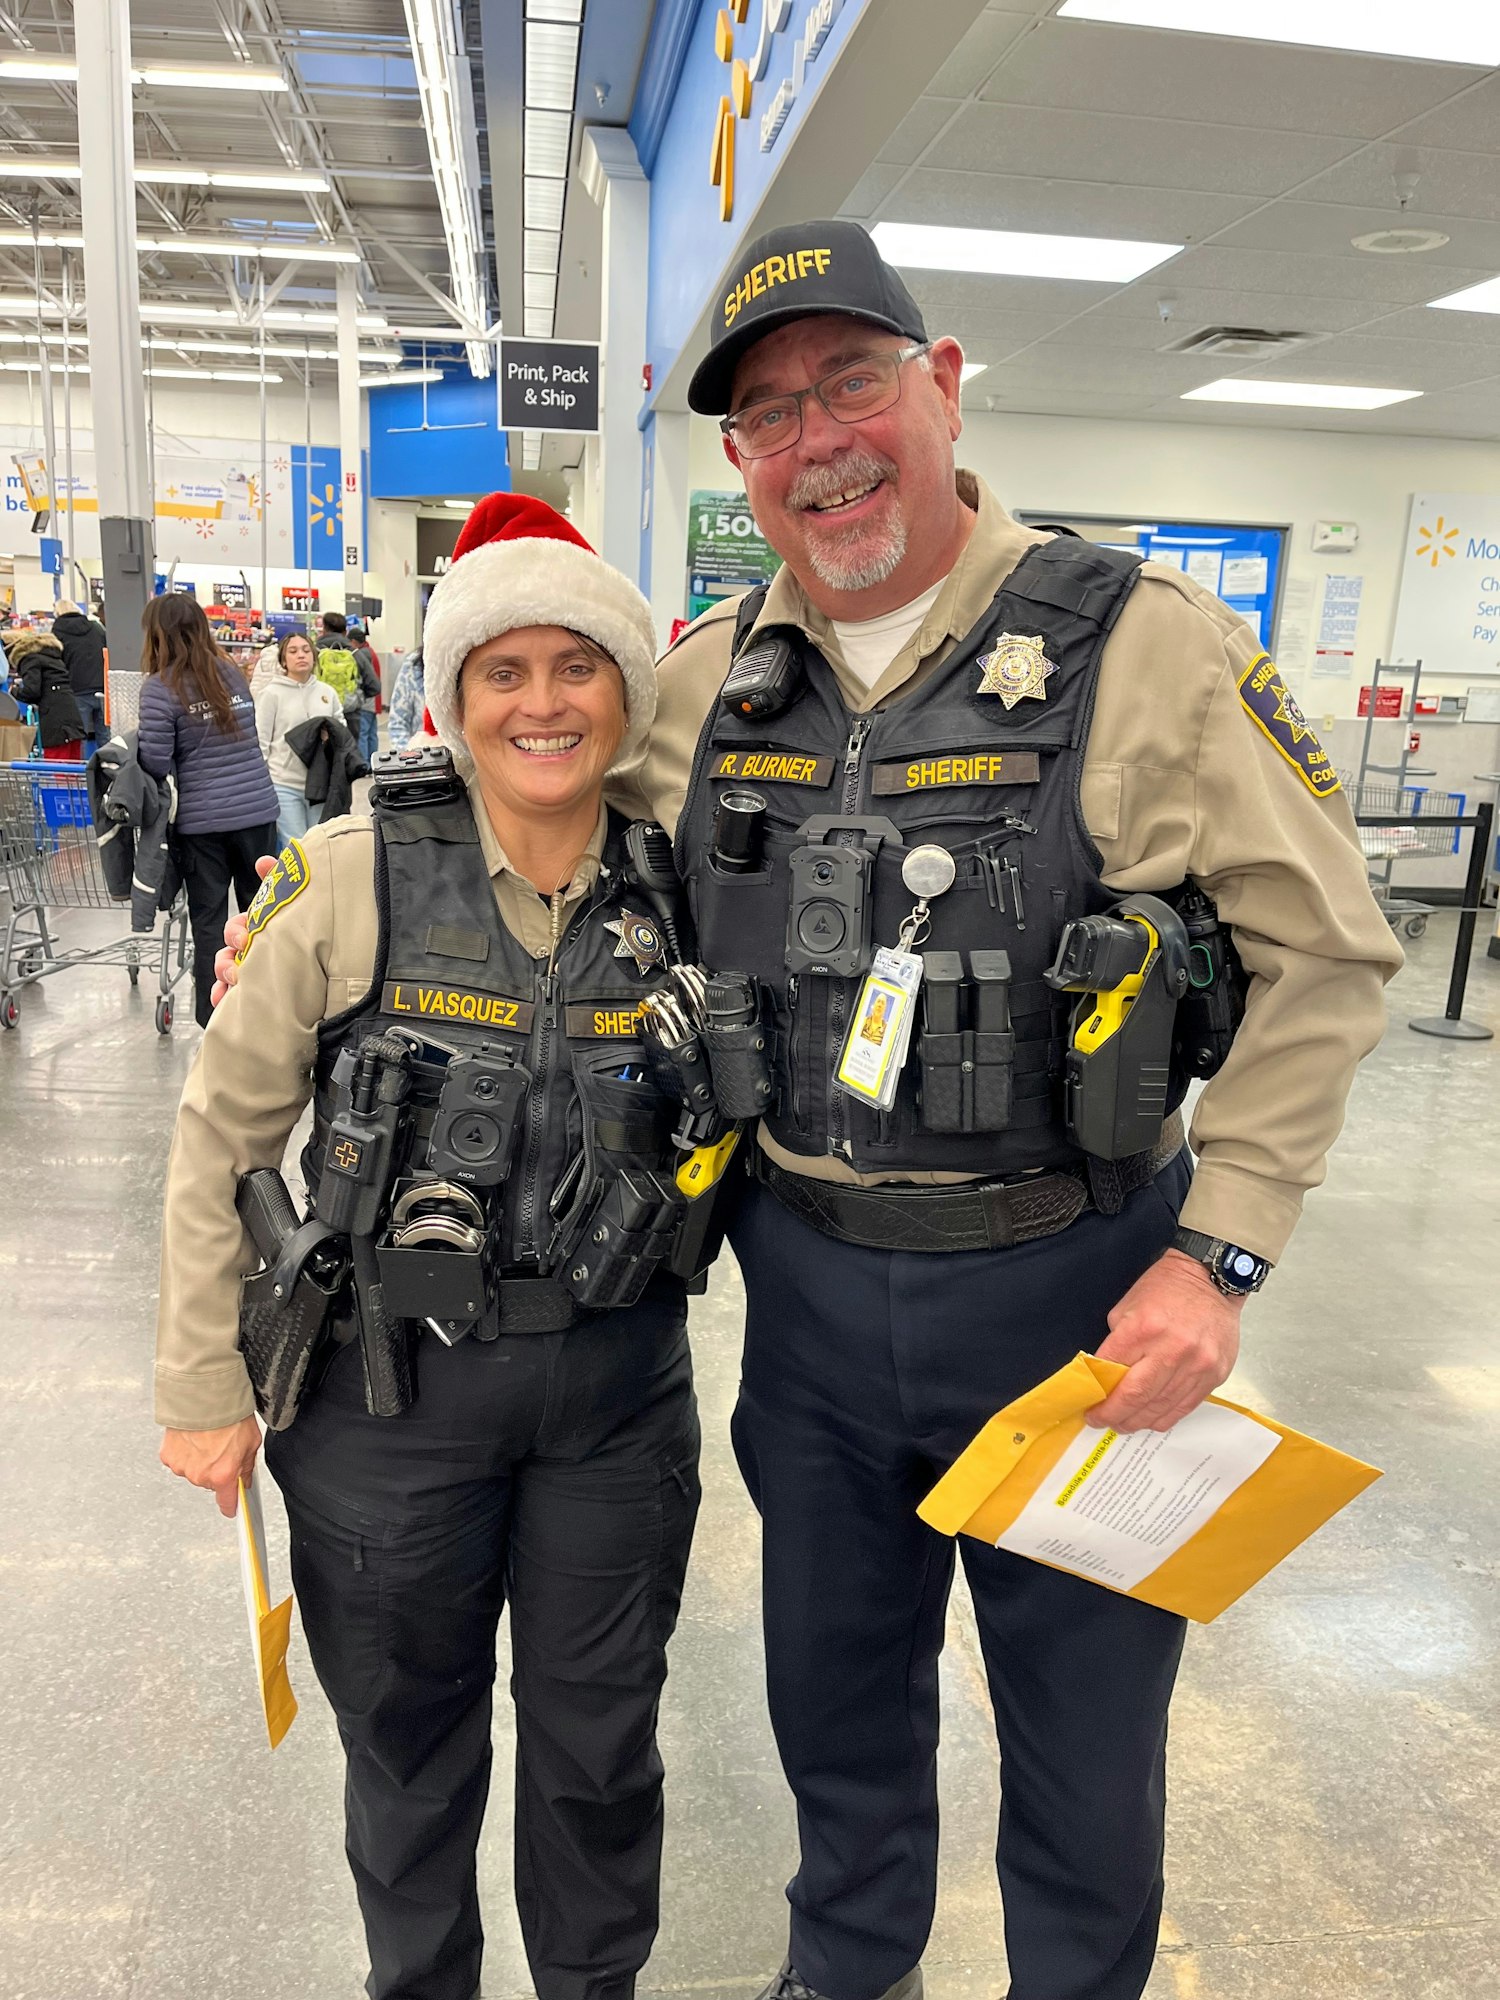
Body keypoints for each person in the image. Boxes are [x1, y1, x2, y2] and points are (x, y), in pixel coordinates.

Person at [217, 223, 1404, 2000]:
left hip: (1080, 1296)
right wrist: (307, 912)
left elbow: (1331, 954)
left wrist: (1220, 1261)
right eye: (768, 416)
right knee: (837, 1722)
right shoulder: (700, 684)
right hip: (813, 1310)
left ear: (939, 391)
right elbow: (515, 794)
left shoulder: (1139, 647)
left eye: (853, 383)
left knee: (1085, 1758)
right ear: (741, 466)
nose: (818, 440)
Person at [159, 494, 702, 2000]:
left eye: (577, 668)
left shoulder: (683, 886)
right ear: (453, 699)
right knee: (407, 1763)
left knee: (603, 1754)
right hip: (382, 1408)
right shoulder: (344, 875)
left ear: (625, 693)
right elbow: (221, 1134)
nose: (543, 703)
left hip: (613, 1399)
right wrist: (203, 1383)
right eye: (503, 671)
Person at [137, 593, 279, 1028]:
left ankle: (214, 1015)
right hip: (257, 811)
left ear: (157, 635)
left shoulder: (159, 689)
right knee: (262, 916)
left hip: (203, 825)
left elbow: (156, 762)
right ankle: (267, 1007)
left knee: (211, 922)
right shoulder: (231, 675)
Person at [254, 629, 344, 846]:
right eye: (293, 651)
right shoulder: (271, 694)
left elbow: (341, 729)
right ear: (284, 660)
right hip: (284, 783)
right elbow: (261, 741)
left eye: (305, 650)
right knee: (295, 847)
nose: (301, 655)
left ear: (314, 656)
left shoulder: (326, 693)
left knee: (321, 845)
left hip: (320, 783)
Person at [6, 626, 85, 761]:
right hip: (71, 715)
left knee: (55, 766)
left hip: (54, 720)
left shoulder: (29, 659)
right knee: (74, 767)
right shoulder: (51, 657)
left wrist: (14, 691)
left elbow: (32, 691)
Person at [52, 599, 109, 752]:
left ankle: (82, 774)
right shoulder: (97, 628)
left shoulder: (56, 633)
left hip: (76, 689)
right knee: (106, 737)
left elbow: (57, 663)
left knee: (79, 738)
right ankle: (111, 772)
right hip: (103, 687)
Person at [348, 621, 383, 765]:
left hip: (366, 701)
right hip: (375, 701)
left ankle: (364, 764)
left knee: (362, 734)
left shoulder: (361, 654)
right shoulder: (371, 651)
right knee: (371, 734)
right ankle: (373, 762)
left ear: (354, 641)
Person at [387, 645, 427, 750]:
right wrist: (411, 759)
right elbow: (398, 721)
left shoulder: (465, 658)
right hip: (421, 758)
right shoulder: (415, 665)